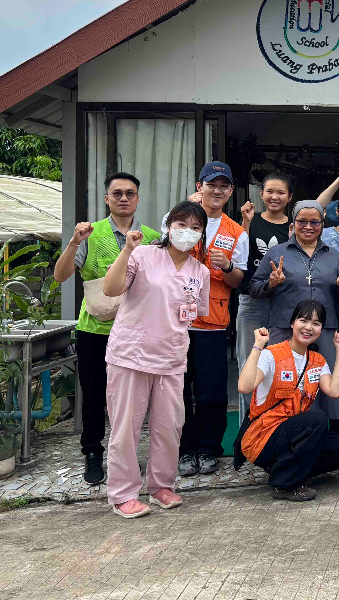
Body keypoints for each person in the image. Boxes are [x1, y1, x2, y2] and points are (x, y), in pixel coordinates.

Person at [101, 201, 211, 518]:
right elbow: (111, 288)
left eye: (195, 227)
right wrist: (127, 250)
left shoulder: (199, 271)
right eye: (181, 224)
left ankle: (161, 485)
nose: (187, 232)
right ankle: (122, 494)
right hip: (131, 355)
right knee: (126, 428)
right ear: (168, 226)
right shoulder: (144, 255)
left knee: (169, 428)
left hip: (172, 358)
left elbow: (196, 312)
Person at [52, 172, 160, 486]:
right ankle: (92, 453)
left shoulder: (152, 237)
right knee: (95, 395)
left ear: (138, 199)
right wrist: (73, 242)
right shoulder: (89, 233)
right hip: (96, 331)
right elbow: (60, 277)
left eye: (129, 193)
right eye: (117, 193)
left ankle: (127, 456)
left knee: (137, 398)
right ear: (107, 199)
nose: (123, 198)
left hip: (139, 332)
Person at [237, 301, 339, 502]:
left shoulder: (318, 360)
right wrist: (257, 346)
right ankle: (283, 483)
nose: (309, 327)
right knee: (316, 418)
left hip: (291, 435)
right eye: (304, 320)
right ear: (292, 323)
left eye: (316, 323)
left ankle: (283, 468)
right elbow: (244, 387)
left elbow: (334, 391)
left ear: (321, 329)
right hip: (263, 437)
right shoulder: (271, 354)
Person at [175, 162, 248, 477]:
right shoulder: (177, 221)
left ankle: (208, 449)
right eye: (211, 184)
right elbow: (164, 260)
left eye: (223, 186)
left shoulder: (237, 232)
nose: (217, 191)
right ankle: (183, 450)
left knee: (212, 392)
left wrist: (229, 266)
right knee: (176, 390)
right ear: (199, 186)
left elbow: (238, 282)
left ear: (230, 191)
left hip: (213, 323)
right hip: (175, 322)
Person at [249, 200, 339, 422]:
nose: (308, 226)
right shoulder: (277, 253)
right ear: (293, 223)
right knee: (282, 382)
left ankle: (323, 437)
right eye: (301, 221)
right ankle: (275, 431)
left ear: (322, 223)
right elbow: (254, 288)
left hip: (323, 329)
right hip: (285, 326)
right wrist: (271, 283)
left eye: (314, 222)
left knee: (323, 382)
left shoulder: (333, 255)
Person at [235, 172, 293, 426]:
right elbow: (239, 256)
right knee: (249, 364)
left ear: (290, 197)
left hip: (284, 304)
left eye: (281, 192)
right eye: (270, 191)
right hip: (252, 302)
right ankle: (248, 429)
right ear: (261, 194)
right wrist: (245, 223)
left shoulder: (295, 225)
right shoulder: (251, 221)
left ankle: (276, 427)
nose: (274, 197)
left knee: (281, 367)